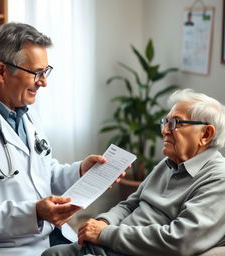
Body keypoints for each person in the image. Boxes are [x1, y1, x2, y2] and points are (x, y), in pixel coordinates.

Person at [0, 22, 125, 256]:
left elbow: (42, 174)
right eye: (36, 73)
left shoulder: (25, 110)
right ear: (1, 71)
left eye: (45, 71)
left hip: (55, 237)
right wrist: (34, 213)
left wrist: (80, 171)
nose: (44, 82)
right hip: (7, 249)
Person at [42, 88, 225, 256]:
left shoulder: (218, 179)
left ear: (206, 134)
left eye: (175, 123)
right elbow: (130, 204)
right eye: (165, 122)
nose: (164, 131)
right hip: (109, 244)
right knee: (51, 253)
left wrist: (106, 234)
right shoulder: (167, 163)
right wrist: (104, 222)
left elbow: (180, 240)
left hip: (129, 251)